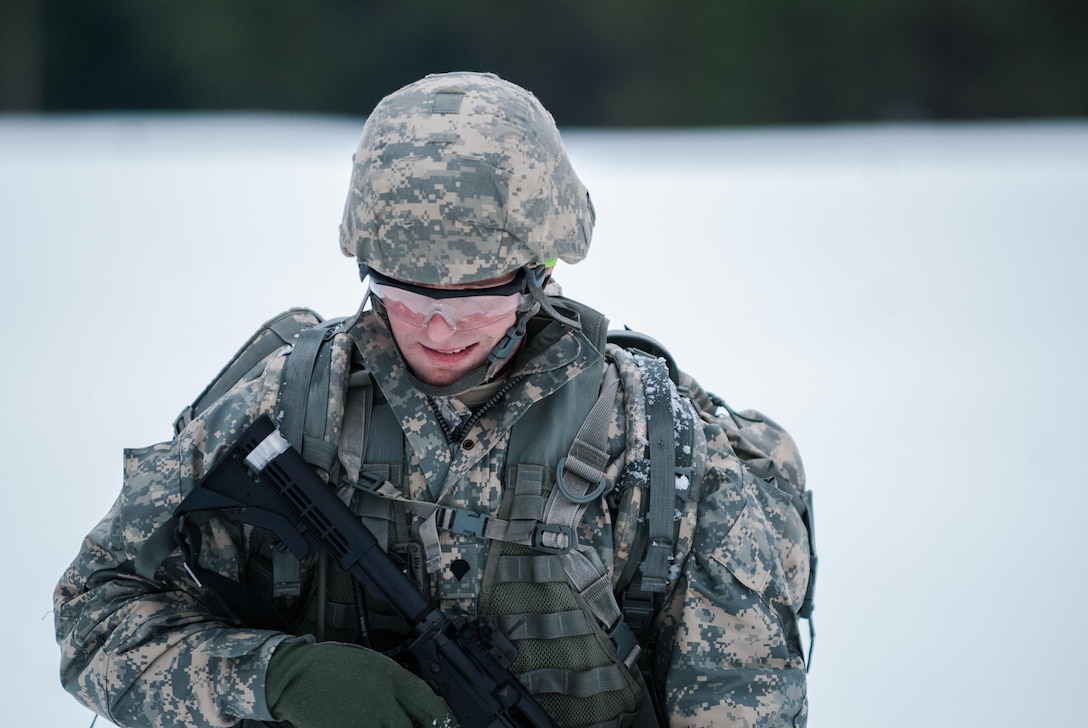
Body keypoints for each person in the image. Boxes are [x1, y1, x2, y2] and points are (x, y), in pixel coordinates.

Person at [54, 72, 814, 728]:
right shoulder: (289, 410)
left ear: (539, 274)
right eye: (407, 295)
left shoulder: (661, 454)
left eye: (478, 297)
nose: (441, 329)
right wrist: (275, 678)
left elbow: (740, 697)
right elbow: (95, 615)